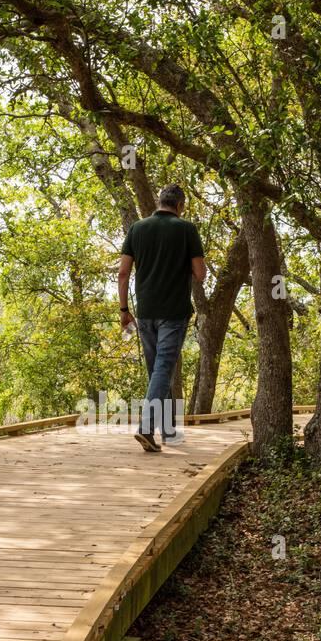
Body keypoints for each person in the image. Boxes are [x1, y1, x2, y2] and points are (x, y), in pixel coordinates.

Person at [118, 184, 206, 452]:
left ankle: (168, 431)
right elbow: (200, 275)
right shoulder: (187, 229)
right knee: (163, 369)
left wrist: (124, 311)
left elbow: (123, 273)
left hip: (144, 313)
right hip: (174, 312)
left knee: (158, 369)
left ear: (159, 202)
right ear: (180, 206)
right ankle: (146, 428)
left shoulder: (137, 228)